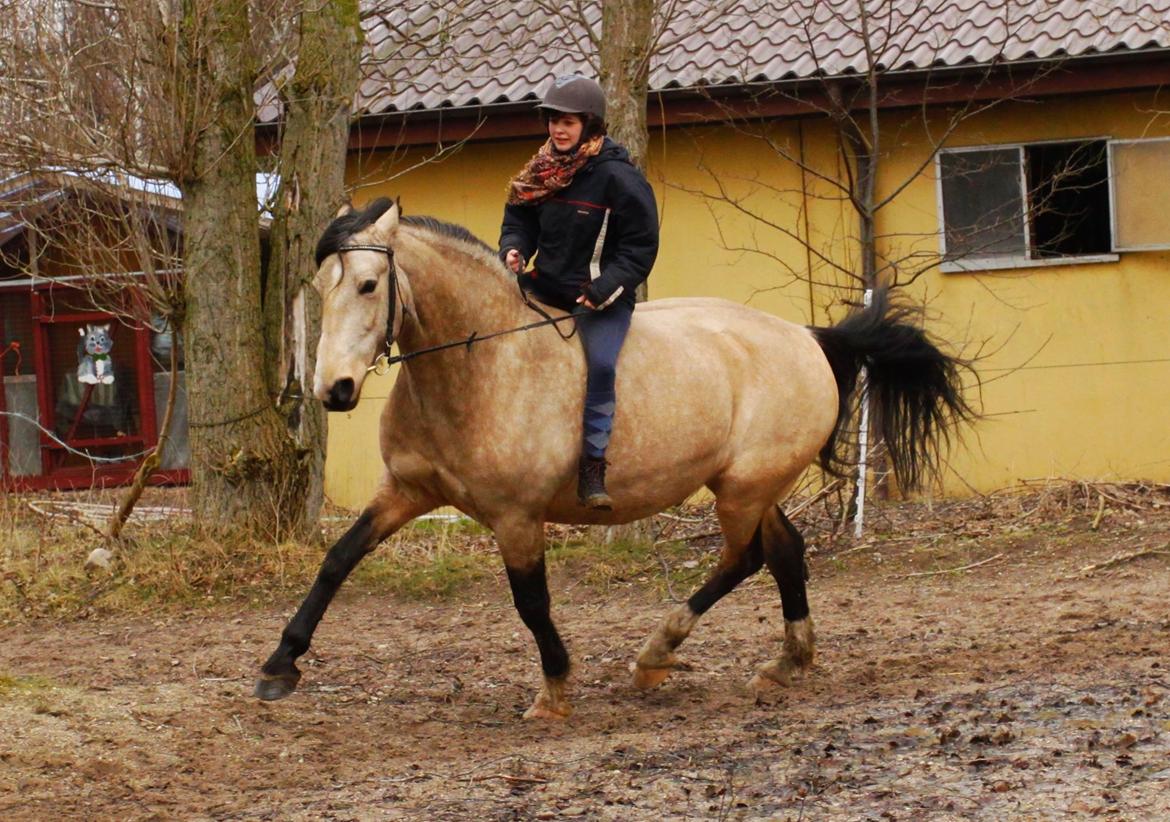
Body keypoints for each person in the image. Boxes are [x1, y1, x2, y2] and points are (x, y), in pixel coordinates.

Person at [499, 73, 659, 511]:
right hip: (545, 287)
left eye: (568, 121)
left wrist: (602, 288)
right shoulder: (539, 170)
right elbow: (519, 220)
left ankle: (592, 465)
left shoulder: (619, 179)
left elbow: (640, 248)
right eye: (553, 120)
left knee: (602, 366)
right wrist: (514, 249)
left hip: (600, 298)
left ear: (590, 124)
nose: (558, 129)